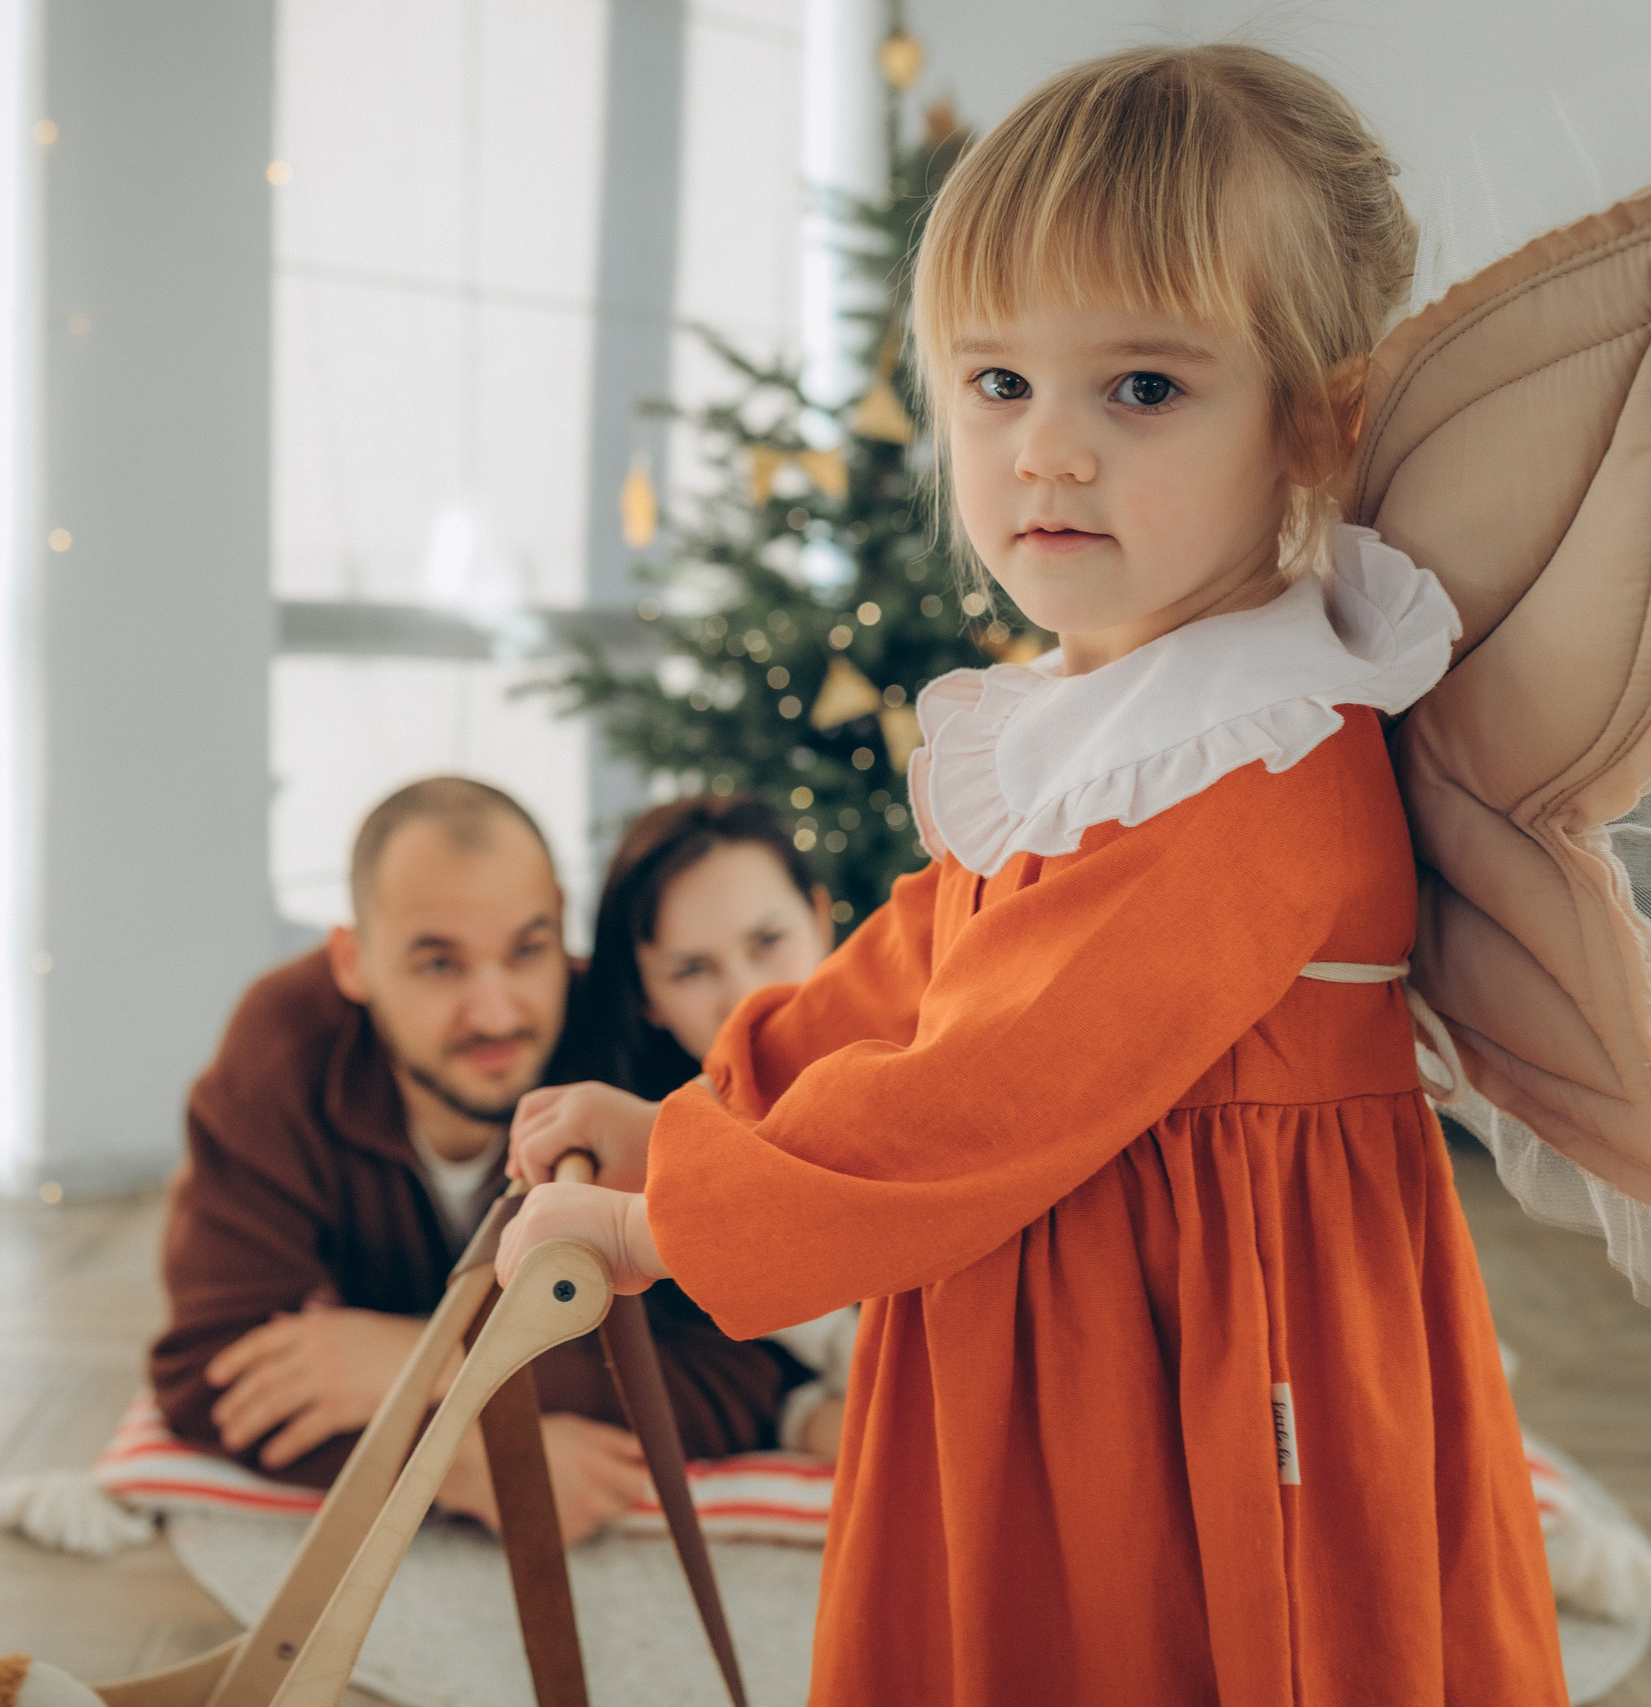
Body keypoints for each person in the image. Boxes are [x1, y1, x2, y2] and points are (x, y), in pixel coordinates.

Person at [501, 45, 1565, 1705]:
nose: (1048, 452)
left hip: (1202, 1354)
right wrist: (714, 1109)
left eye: (1140, 388)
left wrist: (669, 1223)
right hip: (1062, 1298)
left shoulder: (1263, 756)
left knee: (1156, 1637)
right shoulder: (1109, 719)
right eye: (999, 383)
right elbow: (932, 959)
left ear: (1314, 419)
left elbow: (992, 1080)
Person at [150, 776, 798, 1546]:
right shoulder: (282, 1052)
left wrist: (435, 1363)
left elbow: (739, 1373)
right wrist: (460, 1460)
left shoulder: (625, 1053)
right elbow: (211, 1374)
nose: (495, 1012)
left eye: (528, 950)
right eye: (438, 964)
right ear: (353, 961)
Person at [518, 795, 857, 1459]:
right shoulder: (630, 1161)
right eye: (692, 969)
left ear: (820, 920)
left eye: (768, 941)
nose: (746, 997)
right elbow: (726, 1382)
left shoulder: (926, 1061)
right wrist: (810, 1419)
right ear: (646, 996)